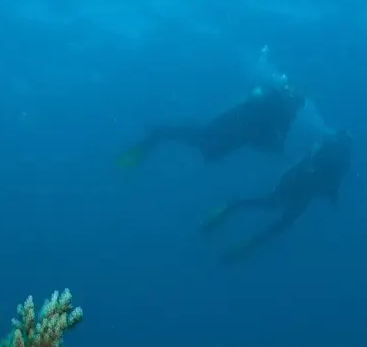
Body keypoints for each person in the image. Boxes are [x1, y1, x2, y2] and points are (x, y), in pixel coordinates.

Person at [201, 131, 353, 261]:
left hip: (293, 181)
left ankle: (232, 207)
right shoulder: (343, 162)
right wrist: (333, 200)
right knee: (284, 222)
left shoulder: (326, 146)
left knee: (268, 204)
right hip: (304, 192)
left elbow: (310, 162)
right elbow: (332, 187)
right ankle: (252, 242)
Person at [115, 80, 306, 169]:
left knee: (200, 138)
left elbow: (262, 135)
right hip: (229, 133)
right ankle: (159, 133)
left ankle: (166, 131)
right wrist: (280, 151)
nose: (296, 111)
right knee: (200, 140)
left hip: (228, 127)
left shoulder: (274, 104)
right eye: (297, 105)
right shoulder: (278, 110)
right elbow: (264, 138)